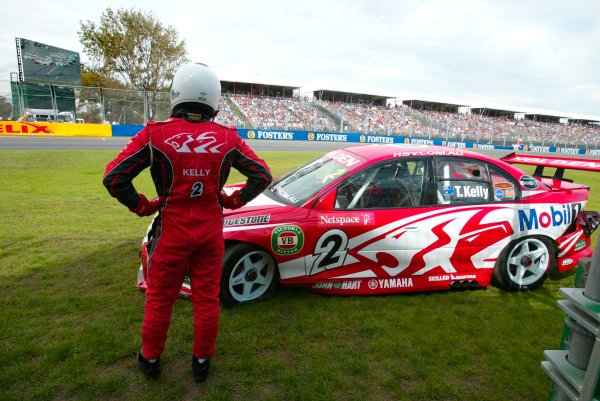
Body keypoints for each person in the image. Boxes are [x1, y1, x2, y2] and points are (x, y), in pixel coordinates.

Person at [102, 62, 272, 383]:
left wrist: (141, 206)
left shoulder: (155, 133)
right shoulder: (228, 139)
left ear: (176, 94)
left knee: (160, 299)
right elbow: (262, 175)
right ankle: (202, 362)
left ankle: (150, 358)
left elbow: (114, 177)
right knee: (207, 300)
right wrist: (232, 200)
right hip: (210, 233)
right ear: (214, 100)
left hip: (171, 234)